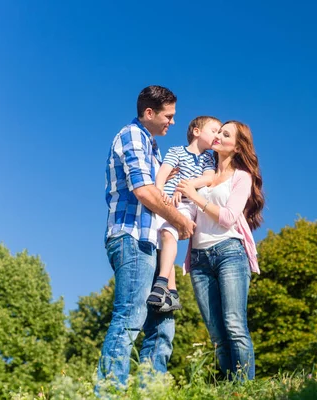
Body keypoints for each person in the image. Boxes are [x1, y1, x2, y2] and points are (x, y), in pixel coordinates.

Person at [98, 85, 195, 387]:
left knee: (162, 322)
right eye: (169, 116)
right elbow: (144, 191)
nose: (173, 122)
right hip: (131, 239)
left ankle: (150, 390)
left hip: (151, 243)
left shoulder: (153, 147)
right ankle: (110, 390)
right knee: (130, 317)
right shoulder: (132, 136)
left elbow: (159, 196)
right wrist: (180, 221)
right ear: (149, 113)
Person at [177, 120, 264, 380]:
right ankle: (230, 388)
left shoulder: (241, 177)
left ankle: (245, 389)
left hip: (230, 253)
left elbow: (227, 217)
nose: (218, 136)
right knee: (216, 333)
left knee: (235, 326)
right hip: (199, 259)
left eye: (225, 134)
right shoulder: (205, 172)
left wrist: (195, 196)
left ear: (237, 147)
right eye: (218, 131)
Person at [146, 116, 221, 313]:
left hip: (186, 204)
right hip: (166, 202)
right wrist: (159, 190)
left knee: (168, 234)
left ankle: (161, 283)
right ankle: (173, 292)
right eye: (214, 130)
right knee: (162, 243)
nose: (217, 135)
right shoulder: (176, 151)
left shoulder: (208, 158)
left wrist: (186, 187)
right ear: (197, 131)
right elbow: (163, 172)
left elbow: (209, 178)